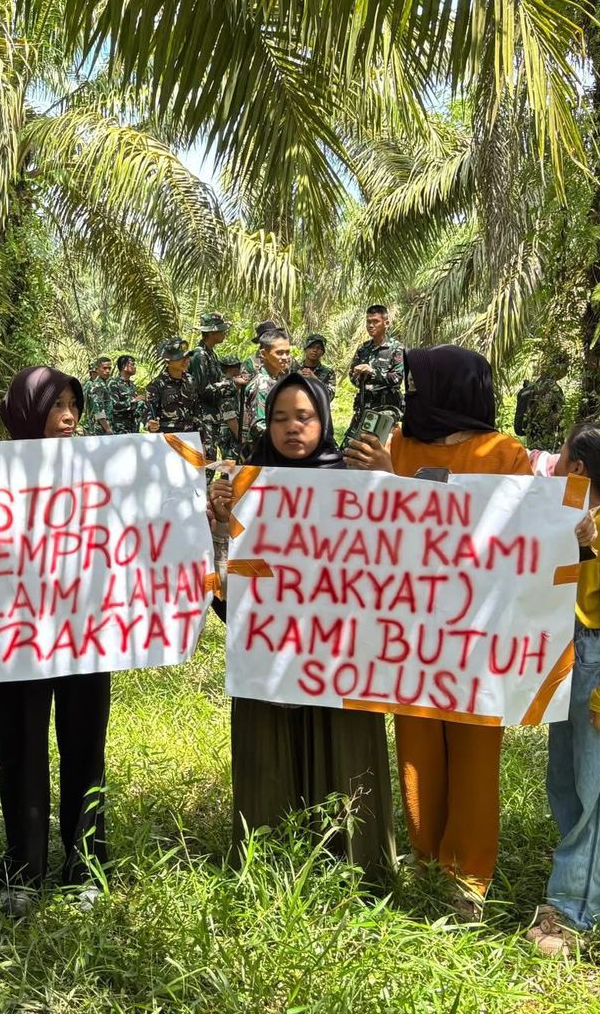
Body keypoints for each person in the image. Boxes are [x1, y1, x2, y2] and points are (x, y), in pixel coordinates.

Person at [344, 344, 530, 916]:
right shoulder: (396, 443)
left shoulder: (505, 453)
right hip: (411, 626)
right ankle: (425, 857)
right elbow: (363, 521)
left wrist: (393, 481)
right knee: (418, 742)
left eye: (423, 384)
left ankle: (467, 875)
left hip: (479, 628)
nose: (412, 393)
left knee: (475, 744)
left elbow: (506, 529)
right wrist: (371, 475)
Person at [208, 372, 397, 889]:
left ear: (325, 419)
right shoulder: (249, 485)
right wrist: (222, 524)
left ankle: (358, 868)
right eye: (279, 418)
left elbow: (401, 561)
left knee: (346, 751)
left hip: (343, 659)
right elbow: (228, 596)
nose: (292, 428)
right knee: (268, 756)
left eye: (305, 416)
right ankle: (268, 866)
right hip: (270, 655)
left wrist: (390, 482)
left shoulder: (357, 479)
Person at [0, 367, 112, 914]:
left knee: (85, 747)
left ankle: (86, 864)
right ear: (25, 411)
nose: (68, 416)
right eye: (55, 405)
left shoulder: (102, 469)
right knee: (20, 747)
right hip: (15, 636)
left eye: (73, 404)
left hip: (86, 633)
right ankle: (23, 868)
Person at [527, 423, 600, 957]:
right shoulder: (578, 522)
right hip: (570, 657)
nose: (552, 459)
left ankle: (578, 910)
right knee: (568, 779)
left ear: (578, 470)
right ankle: (583, 882)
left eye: (561, 452)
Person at [344, 305, 405, 441]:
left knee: (383, 451)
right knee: (351, 451)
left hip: (386, 411)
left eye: (375, 321)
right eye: (368, 321)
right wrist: (358, 375)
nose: (371, 325)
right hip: (363, 408)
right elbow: (352, 376)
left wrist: (372, 372)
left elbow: (397, 378)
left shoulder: (396, 348)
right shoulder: (363, 349)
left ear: (386, 323)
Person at [240, 330, 292, 453]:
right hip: (261, 454)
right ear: (263, 354)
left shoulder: (278, 379)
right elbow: (258, 426)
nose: (285, 358)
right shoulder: (262, 385)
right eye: (279, 353)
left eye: (287, 353)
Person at [187, 313, 230, 455]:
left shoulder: (211, 354)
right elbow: (203, 390)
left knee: (210, 461)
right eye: (221, 330)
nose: (224, 333)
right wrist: (228, 384)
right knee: (205, 462)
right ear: (212, 332)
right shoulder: (200, 356)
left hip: (212, 416)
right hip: (202, 417)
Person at [144, 339, 198, 434]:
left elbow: (197, 409)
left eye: (187, 356)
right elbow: (148, 412)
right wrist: (149, 424)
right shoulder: (156, 385)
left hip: (190, 437)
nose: (186, 360)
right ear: (168, 361)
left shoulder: (191, 381)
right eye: (180, 357)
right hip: (168, 439)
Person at [515, 373, 566, 450]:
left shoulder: (532, 387)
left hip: (532, 436)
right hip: (548, 438)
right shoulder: (554, 388)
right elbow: (561, 415)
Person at [209, 356, 245, 462]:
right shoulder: (226, 388)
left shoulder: (229, 385)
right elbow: (229, 417)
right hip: (228, 435)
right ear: (230, 369)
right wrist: (240, 437)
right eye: (237, 367)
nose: (240, 369)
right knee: (230, 465)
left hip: (229, 433)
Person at [292, 334, 336, 407]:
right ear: (305, 349)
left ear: (323, 352)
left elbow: (329, 397)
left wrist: (315, 380)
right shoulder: (295, 368)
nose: (315, 350)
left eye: (319, 348)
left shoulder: (328, 372)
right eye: (311, 347)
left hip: (317, 412)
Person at [108, 354, 142, 434]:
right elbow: (114, 405)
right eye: (132, 364)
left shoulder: (132, 385)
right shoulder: (114, 383)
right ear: (124, 366)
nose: (135, 367)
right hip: (120, 429)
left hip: (133, 428)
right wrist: (133, 401)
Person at [83, 358, 114, 435]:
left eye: (109, 368)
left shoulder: (104, 384)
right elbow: (99, 411)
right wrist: (108, 429)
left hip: (102, 426)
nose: (107, 371)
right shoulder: (97, 386)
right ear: (97, 369)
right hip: (99, 429)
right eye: (104, 368)